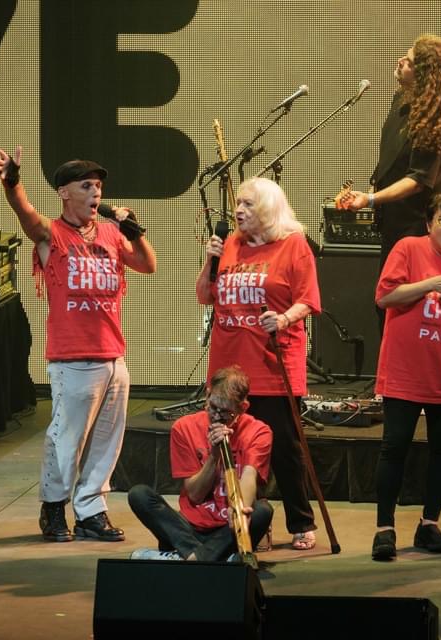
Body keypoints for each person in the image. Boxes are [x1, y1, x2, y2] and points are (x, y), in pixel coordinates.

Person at [0, 146, 157, 543]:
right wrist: (12, 182)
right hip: (73, 358)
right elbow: (25, 214)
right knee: (67, 439)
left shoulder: (111, 232)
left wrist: (135, 231)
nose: (96, 193)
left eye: (99, 186)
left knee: (106, 442)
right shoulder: (53, 234)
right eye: (87, 186)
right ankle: (53, 508)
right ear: (65, 192)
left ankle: (91, 512)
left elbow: (147, 265)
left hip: (113, 356)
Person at [196, 177, 321, 551]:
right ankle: (254, 520)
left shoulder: (293, 245)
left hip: (271, 367)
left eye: (248, 204)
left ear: (268, 208)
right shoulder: (228, 245)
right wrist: (210, 260)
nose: (238, 211)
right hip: (228, 369)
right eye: (238, 203)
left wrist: (282, 319)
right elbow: (205, 295)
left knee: (283, 449)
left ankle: (301, 521)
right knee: (235, 450)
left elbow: (308, 300)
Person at [371, 193, 441, 561]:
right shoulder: (408, 248)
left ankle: (429, 524)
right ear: (429, 224)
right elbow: (385, 296)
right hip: (406, 370)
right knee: (395, 446)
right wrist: (433, 283)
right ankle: (384, 528)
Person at [340, 34, 441, 329]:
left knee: (408, 304)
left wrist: (372, 198)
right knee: (385, 302)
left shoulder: (433, 122)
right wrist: (364, 194)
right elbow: (392, 163)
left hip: (416, 227)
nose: (400, 61)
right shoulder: (401, 102)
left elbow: (418, 180)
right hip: (393, 223)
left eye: (409, 60)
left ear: (424, 75)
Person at [128, 366, 274, 561]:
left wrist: (239, 510)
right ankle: (209, 557)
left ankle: (187, 557)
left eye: (225, 412)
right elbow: (195, 495)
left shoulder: (259, 431)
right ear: (207, 394)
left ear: (242, 407)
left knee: (262, 511)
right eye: (212, 407)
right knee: (139, 495)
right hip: (190, 527)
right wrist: (214, 455)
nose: (216, 415)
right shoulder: (184, 427)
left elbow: (249, 476)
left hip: (228, 528)